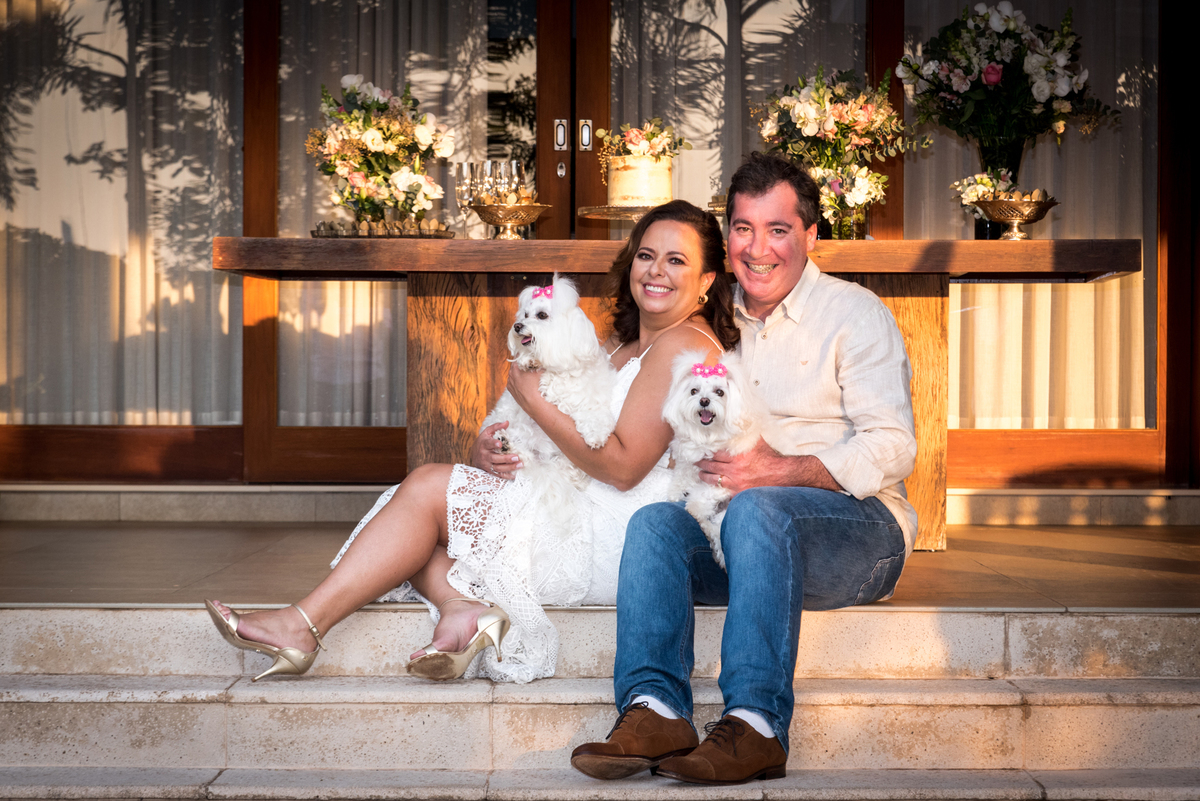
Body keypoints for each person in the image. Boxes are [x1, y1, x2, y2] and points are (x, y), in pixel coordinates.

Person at [205, 200, 740, 684]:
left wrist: (532, 400)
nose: (656, 270)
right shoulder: (627, 344)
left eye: (676, 261)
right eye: (647, 255)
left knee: (424, 494)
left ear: (706, 279)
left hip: (620, 533)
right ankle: (460, 610)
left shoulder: (683, 344)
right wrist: (493, 448)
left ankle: (303, 625)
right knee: (420, 515)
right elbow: (576, 426)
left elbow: (623, 467)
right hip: (579, 499)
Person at [570, 154, 918, 783]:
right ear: (726, 235)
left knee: (758, 506)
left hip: (860, 536)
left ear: (811, 236)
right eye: (742, 228)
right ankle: (655, 712)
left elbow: (894, 447)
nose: (757, 249)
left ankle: (756, 723)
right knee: (654, 525)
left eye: (777, 230)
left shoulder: (854, 313)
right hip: (740, 539)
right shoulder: (711, 316)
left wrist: (782, 469)